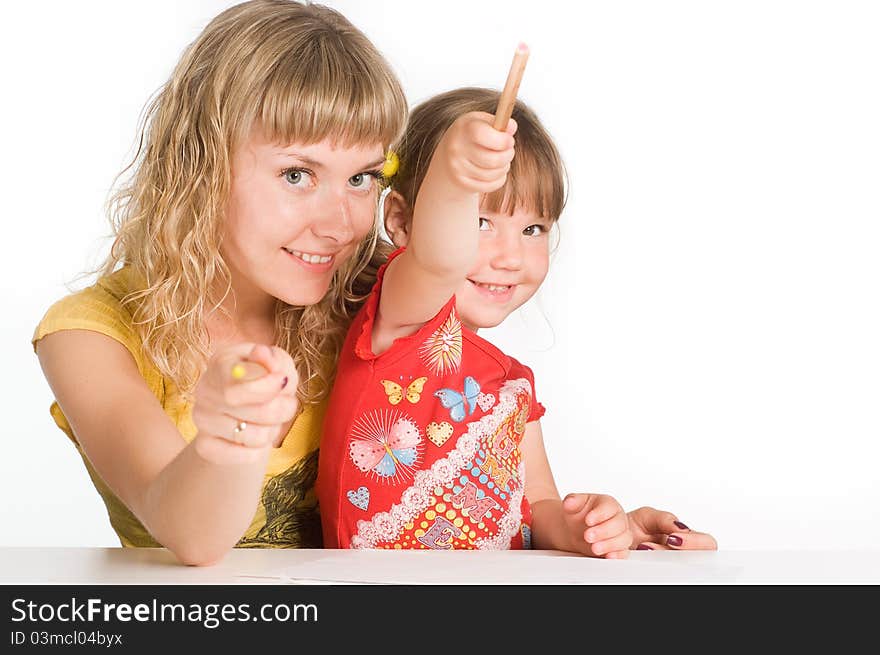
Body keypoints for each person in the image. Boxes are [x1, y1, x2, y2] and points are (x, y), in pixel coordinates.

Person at [32, 0, 407, 566]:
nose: (341, 224)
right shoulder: (92, 337)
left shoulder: (380, 296)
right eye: (297, 174)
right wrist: (230, 437)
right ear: (199, 164)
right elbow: (192, 535)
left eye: (361, 178)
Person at [317, 87, 718, 555]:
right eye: (482, 220)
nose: (510, 258)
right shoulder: (400, 324)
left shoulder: (514, 387)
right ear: (402, 222)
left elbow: (540, 508)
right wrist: (456, 176)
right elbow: (436, 259)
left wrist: (590, 528)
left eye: (533, 230)